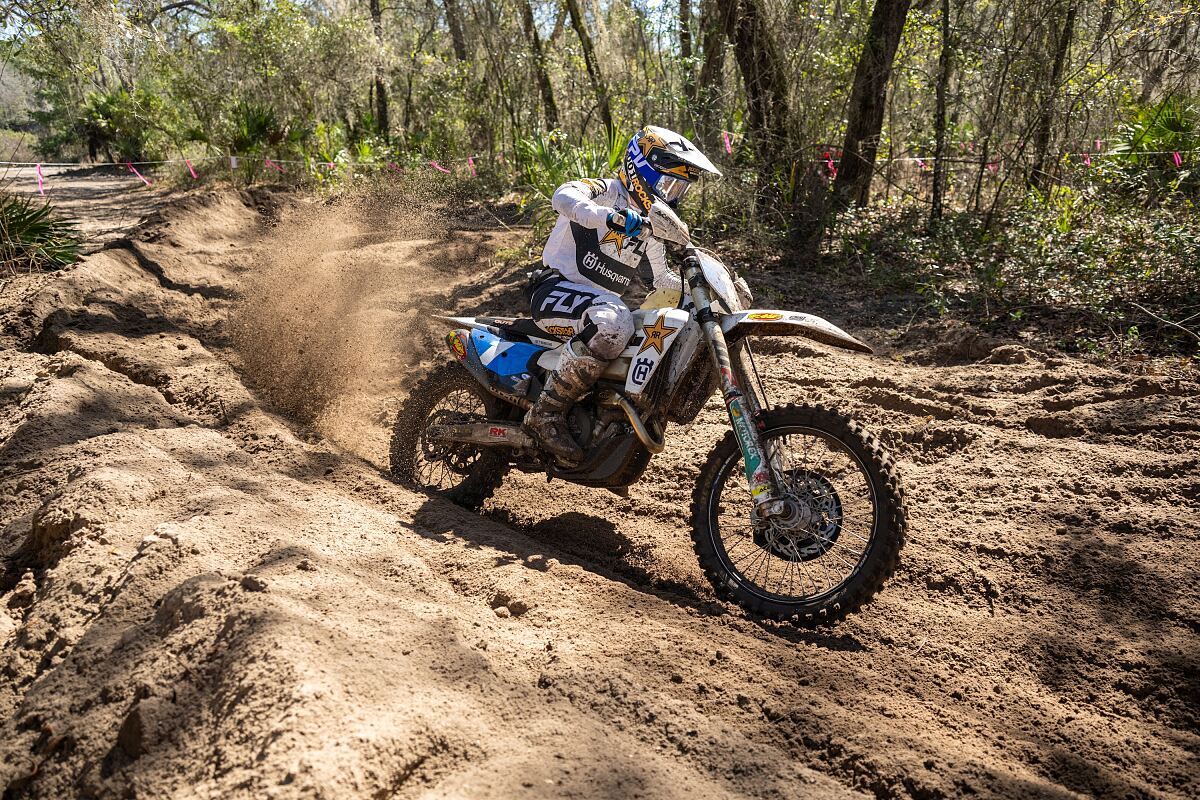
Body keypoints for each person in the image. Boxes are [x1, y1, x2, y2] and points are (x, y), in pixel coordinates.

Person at [523, 125, 721, 464]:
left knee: (644, 329)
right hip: (553, 290)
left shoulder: (649, 226)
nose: (670, 196)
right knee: (615, 322)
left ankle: (610, 430)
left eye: (678, 189)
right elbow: (563, 195)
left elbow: (663, 280)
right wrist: (608, 216)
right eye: (667, 183)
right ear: (639, 168)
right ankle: (546, 414)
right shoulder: (607, 190)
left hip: (595, 309)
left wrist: (713, 287)